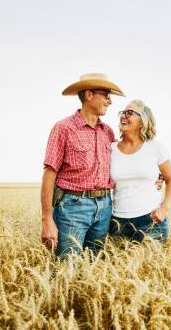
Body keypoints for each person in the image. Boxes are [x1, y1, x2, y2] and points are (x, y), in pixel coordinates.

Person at [40, 73, 124, 258]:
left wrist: (155, 177)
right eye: (106, 95)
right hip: (72, 208)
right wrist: (47, 220)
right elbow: (49, 172)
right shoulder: (63, 128)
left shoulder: (108, 132)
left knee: (93, 267)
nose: (110, 101)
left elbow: (123, 163)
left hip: (105, 207)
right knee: (67, 267)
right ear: (89, 95)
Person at [109, 100, 171, 243]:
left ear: (142, 121)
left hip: (150, 220)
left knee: (151, 265)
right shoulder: (111, 149)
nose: (123, 116)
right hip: (117, 222)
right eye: (122, 113)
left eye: (129, 113)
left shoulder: (156, 148)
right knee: (120, 265)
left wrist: (164, 208)